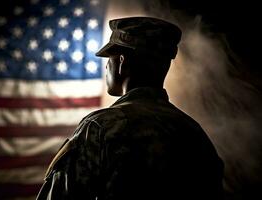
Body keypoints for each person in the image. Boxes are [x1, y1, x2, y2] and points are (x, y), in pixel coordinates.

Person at [36, 16, 224, 200]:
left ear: (121, 62)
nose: (107, 67)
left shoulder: (101, 126)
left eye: (109, 59)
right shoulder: (195, 134)